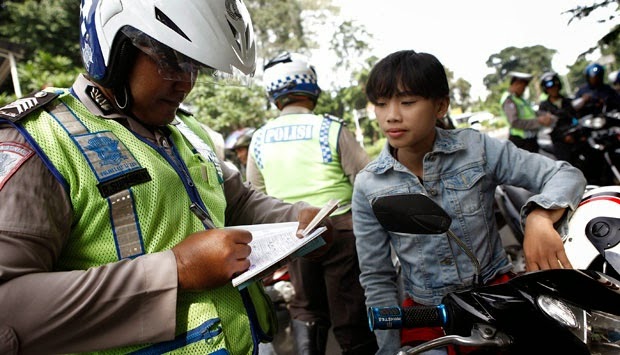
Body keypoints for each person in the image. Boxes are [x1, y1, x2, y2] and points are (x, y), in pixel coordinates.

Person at [0, 1, 332, 354]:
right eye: (170, 61)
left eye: (195, 66)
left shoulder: (186, 130)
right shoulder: (41, 142)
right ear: (116, 51)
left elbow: (237, 200)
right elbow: (8, 307)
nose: (186, 83)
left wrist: (296, 219)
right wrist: (176, 271)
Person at [352, 50, 587, 355]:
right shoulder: (369, 184)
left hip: (498, 301)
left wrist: (538, 217)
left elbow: (564, 174)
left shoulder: (476, 148)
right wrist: (388, 348)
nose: (391, 115)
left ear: (440, 105)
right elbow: (376, 275)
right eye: (381, 105)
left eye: (407, 102)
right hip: (428, 317)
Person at [246, 52, 378, 355]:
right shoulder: (331, 128)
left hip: (293, 234)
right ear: (312, 91)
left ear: (274, 97)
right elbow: (366, 177)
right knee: (349, 308)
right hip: (342, 230)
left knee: (305, 307)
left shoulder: (260, 138)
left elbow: (254, 191)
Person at [500, 71, 555, 153]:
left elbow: (532, 113)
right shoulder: (509, 100)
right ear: (516, 84)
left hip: (530, 141)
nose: (524, 89)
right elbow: (515, 122)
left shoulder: (520, 99)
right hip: (521, 142)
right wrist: (538, 121)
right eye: (523, 87)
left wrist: (545, 115)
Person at [537, 71, 579, 162]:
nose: (553, 89)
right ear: (546, 90)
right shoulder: (544, 106)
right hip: (559, 141)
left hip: (575, 136)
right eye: (549, 88)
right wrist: (563, 136)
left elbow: (576, 117)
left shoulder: (568, 101)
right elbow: (547, 127)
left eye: (554, 86)